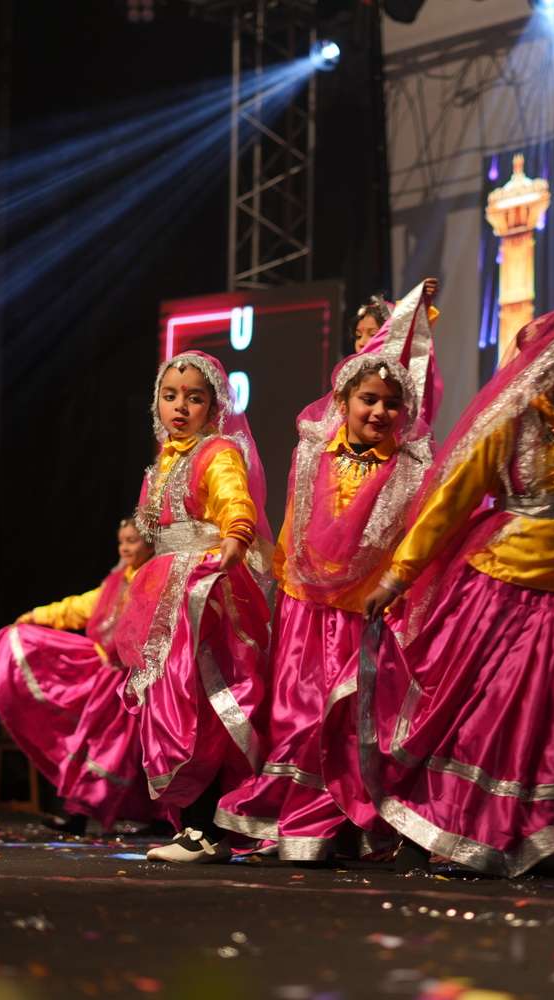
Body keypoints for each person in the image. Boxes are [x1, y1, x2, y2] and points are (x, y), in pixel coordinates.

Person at [351, 305, 554, 878]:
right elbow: (449, 506)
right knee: (488, 724)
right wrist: (398, 576)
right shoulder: (511, 422)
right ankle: (472, 831)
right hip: (499, 597)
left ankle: (546, 834)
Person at [217, 279, 439, 863]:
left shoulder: (409, 467)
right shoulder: (313, 450)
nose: (380, 411)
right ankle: (299, 818)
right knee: (299, 717)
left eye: (392, 404)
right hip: (304, 608)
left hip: (366, 615)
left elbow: (414, 539)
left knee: (355, 723)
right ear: (343, 400)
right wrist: (282, 586)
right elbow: (296, 521)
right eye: (369, 400)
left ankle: (355, 819)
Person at [116, 352, 274, 863]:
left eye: (194, 398)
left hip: (205, 591)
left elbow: (235, 499)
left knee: (199, 704)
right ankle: (194, 826)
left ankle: (207, 830)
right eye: (170, 396)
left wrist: (236, 535)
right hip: (168, 590)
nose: (180, 407)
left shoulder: (217, 452)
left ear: (214, 406)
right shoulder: (164, 462)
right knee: (171, 703)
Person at [0, 517, 158, 835]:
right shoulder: (117, 582)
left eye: (132, 541)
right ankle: (78, 814)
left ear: (150, 543)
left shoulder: (154, 579)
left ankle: (149, 818)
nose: (124, 548)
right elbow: (80, 607)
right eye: (121, 542)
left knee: (121, 751)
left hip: (137, 682)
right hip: (110, 679)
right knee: (95, 745)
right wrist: (36, 616)